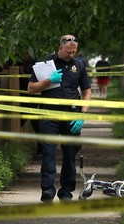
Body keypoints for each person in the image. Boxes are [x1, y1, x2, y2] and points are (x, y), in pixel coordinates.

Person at [28, 34, 92, 203]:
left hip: (71, 115)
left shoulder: (79, 66)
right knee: (48, 153)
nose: (71, 55)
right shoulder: (46, 65)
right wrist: (48, 81)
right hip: (49, 114)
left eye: (74, 52)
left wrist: (82, 115)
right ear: (60, 48)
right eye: (68, 52)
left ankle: (66, 192)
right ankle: (47, 190)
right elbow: (31, 89)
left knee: (70, 154)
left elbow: (86, 91)